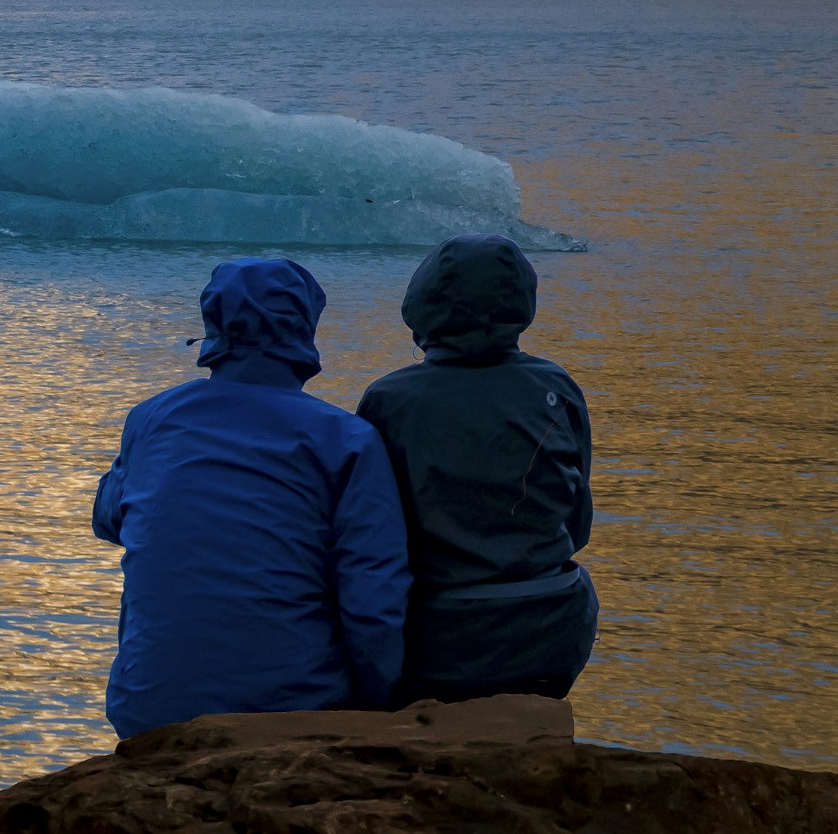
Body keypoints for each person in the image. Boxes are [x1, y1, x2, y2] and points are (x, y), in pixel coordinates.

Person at [92, 257, 410, 736]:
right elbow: (372, 598)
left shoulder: (152, 418)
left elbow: (108, 520)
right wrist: (383, 704)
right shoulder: (344, 438)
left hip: (147, 711)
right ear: (305, 328)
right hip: (294, 712)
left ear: (213, 328)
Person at [357, 233, 596, 702]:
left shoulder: (388, 400)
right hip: (552, 628)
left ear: (420, 305)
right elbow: (578, 524)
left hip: (441, 637)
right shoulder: (556, 386)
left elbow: (373, 538)